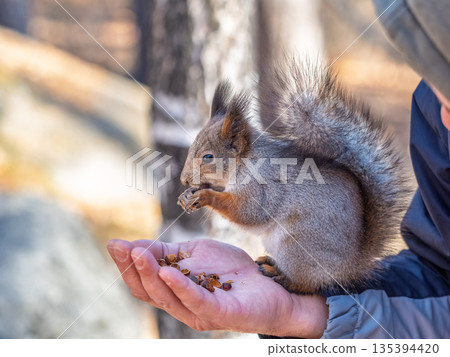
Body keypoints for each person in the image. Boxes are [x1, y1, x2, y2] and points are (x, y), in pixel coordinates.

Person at [107, 0, 450, 338]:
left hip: (321, 244)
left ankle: (300, 280)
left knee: (293, 232)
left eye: (206, 160)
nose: (190, 174)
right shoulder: (433, 118)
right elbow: (436, 277)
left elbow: (254, 214)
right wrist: (297, 320)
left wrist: (211, 199)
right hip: (344, 257)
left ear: (236, 145)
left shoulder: (260, 169)